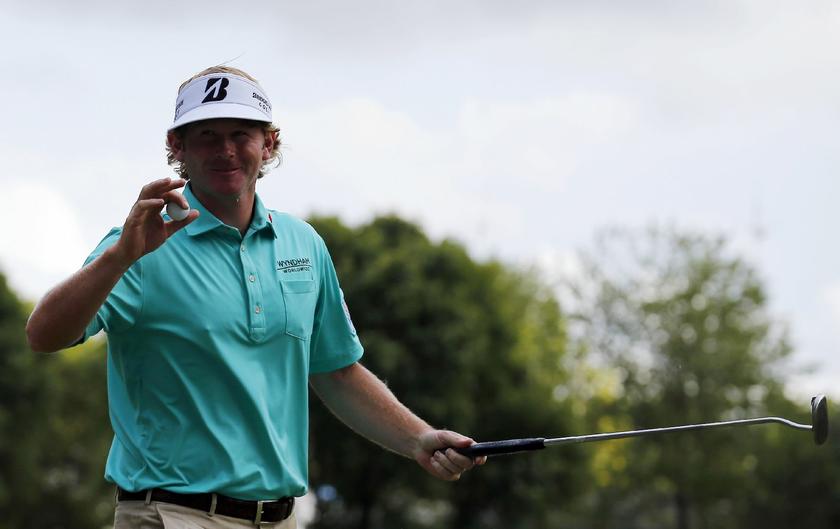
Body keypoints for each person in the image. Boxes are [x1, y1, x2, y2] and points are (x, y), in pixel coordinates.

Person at [25, 65, 484, 528]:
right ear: (177, 146)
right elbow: (44, 334)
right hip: (172, 514)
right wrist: (119, 258)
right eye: (206, 135)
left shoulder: (303, 243)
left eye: (240, 134)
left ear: (269, 144)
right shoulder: (138, 243)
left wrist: (418, 438)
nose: (225, 150)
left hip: (280, 518)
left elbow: (337, 371)